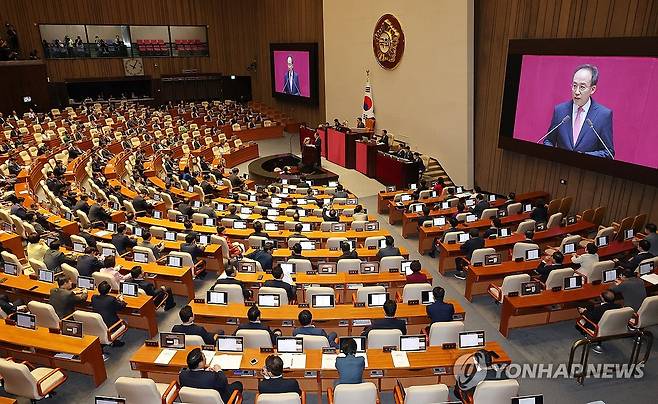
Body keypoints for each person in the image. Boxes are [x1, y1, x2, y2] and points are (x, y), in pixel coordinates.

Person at [543, 64, 614, 159]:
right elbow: (549, 141)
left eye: (582, 87)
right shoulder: (560, 111)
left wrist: (583, 157)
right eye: (574, 86)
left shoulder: (603, 115)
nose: (576, 91)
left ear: (592, 89)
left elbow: (608, 152)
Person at [179, 348, 243, 403]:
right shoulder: (212, 377)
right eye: (204, 357)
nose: (205, 358)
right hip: (218, 399)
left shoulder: (182, 375)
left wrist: (204, 371)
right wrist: (219, 370)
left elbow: (198, 378)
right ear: (200, 363)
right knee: (238, 384)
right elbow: (224, 383)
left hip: (193, 400)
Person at [90, 281, 127, 346]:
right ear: (109, 290)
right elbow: (121, 307)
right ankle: (115, 340)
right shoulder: (111, 299)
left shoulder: (94, 297)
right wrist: (121, 300)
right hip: (110, 326)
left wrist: (115, 299)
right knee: (125, 322)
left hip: (98, 324)